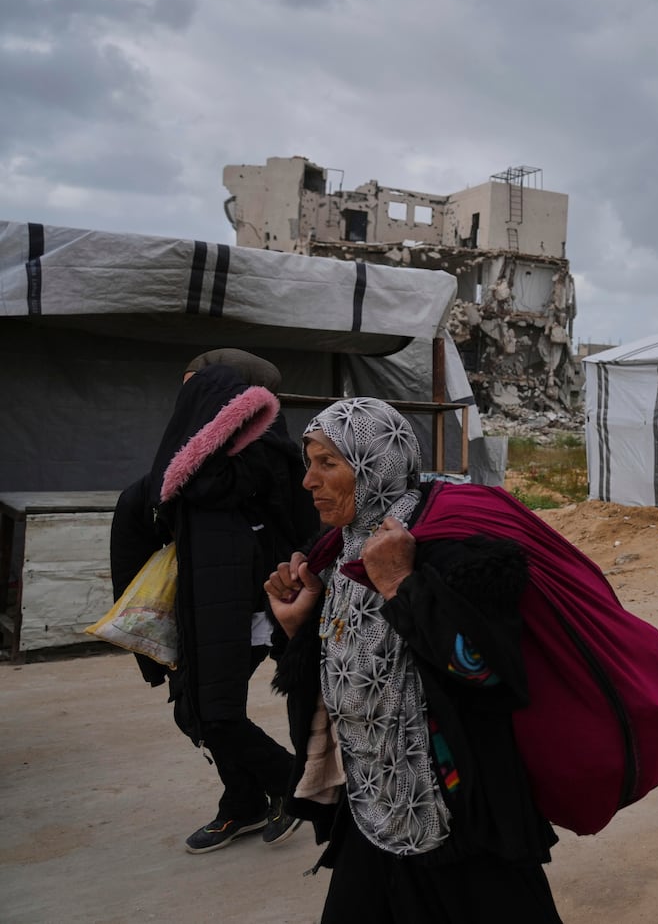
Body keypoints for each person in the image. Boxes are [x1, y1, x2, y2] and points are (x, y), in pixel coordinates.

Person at [265, 398, 562, 922]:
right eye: (308, 463)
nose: (308, 481)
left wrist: (403, 585)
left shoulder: (456, 553)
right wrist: (298, 628)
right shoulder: (337, 554)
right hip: (372, 803)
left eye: (327, 463)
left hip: (458, 813)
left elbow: (489, 675)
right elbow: (343, 680)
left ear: (373, 463)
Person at [110, 353, 319, 854]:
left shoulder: (263, 454)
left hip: (248, 607)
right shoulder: (190, 463)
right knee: (193, 710)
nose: (186, 402)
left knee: (217, 712)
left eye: (197, 389)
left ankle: (295, 786)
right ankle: (244, 801)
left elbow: (296, 520)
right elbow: (147, 503)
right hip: (202, 605)